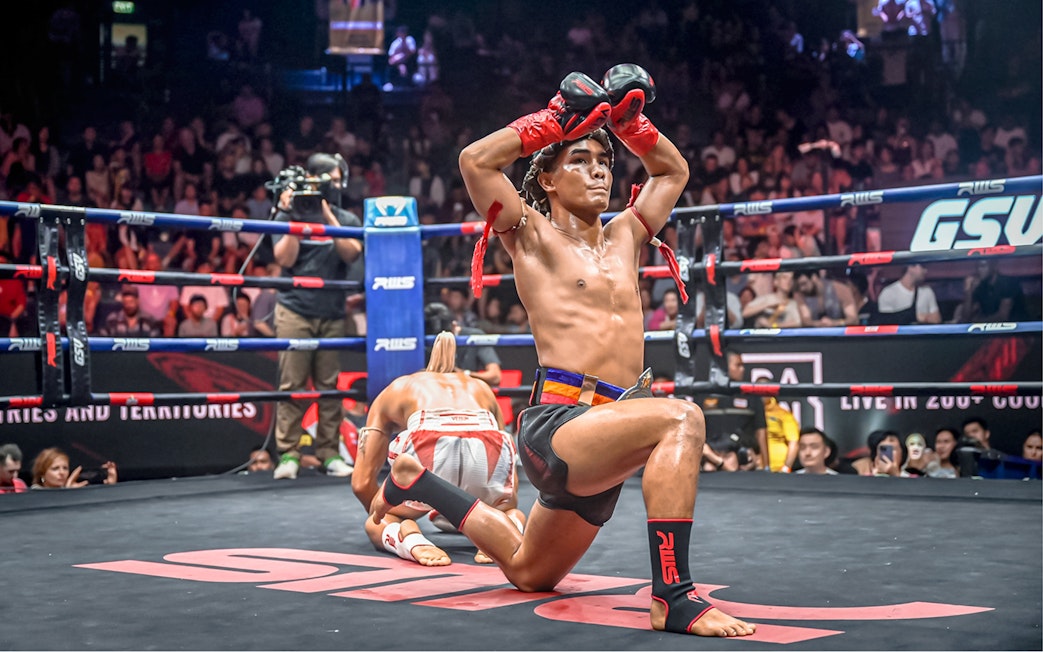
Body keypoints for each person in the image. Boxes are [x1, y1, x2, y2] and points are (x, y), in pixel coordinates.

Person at [372, 67, 754, 637]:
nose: (598, 170)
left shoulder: (627, 234)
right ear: (546, 179)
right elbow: (475, 161)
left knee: (530, 572)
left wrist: (631, 124)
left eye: (604, 162)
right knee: (683, 416)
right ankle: (673, 597)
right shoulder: (529, 234)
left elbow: (673, 170)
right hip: (561, 425)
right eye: (579, 160)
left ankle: (414, 483)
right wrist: (552, 122)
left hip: (610, 429)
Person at [352, 332, 524, 566]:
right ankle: (507, 531)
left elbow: (361, 483)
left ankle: (409, 538)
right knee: (506, 510)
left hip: (429, 436)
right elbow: (508, 473)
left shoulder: (399, 387)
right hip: (486, 437)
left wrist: (383, 513)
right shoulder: (481, 387)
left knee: (376, 521)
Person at [271, 153, 363, 480]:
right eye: (333, 180)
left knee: (329, 387)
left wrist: (325, 215)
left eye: (339, 180)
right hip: (295, 309)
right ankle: (289, 456)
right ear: (317, 179)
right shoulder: (287, 214)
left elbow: (352, 252)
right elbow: (283, 258)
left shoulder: (345, 219)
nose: (337, 186)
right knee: (292, 384)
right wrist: (297, 216)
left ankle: (327, 453)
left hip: (331, 312)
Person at [700, 350, 769, 471]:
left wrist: (766, 466)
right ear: (725, 366)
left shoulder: (752, 395)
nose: (742, 369)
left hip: (744, 459)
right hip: (711, 459)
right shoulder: (704, 395)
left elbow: (761, 432)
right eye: (738, 365)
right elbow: (696, 431)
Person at [424, 301, 502, 386]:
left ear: (454, 325)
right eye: (437, 339)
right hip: (436, 390)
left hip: (467, 389)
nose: (443, 343)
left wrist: (463, 374)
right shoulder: (422, 341)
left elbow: (495, 377)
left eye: (447, 336)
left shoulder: (475, 336)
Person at [959, 259, 1027, 323]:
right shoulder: (981, 287)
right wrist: (968, 291)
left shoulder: (1009, 282)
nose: (979, 270)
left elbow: (1002, 317)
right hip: (992, 332)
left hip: (1019, 329)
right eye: (977, 267)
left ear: (994, 266)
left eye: (983, 266)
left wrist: (976, 323)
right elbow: (966, 318)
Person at [874, 264, 941, 325]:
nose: (925, 271)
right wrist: (917, 317)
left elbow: (936, 319)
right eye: (923, 267)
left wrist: (923, 317)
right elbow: (886, 321)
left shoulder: (927, 291)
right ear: (911, 267)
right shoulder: (888, 293)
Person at [30, 447, 117, 488]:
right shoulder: (34, 493)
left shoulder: (72, 488)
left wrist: (110, 486)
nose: (62, 473)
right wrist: (68, 493)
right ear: (42, 473)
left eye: (65, 468)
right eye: (55, 469)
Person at [762, 393, 800, 473]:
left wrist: (786, 467)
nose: (761, 396)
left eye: (763, 393)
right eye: (756, 394)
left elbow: (794, 442)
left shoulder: (783, 414)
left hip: (777, 466)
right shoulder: (749, 412)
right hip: (754, 466)